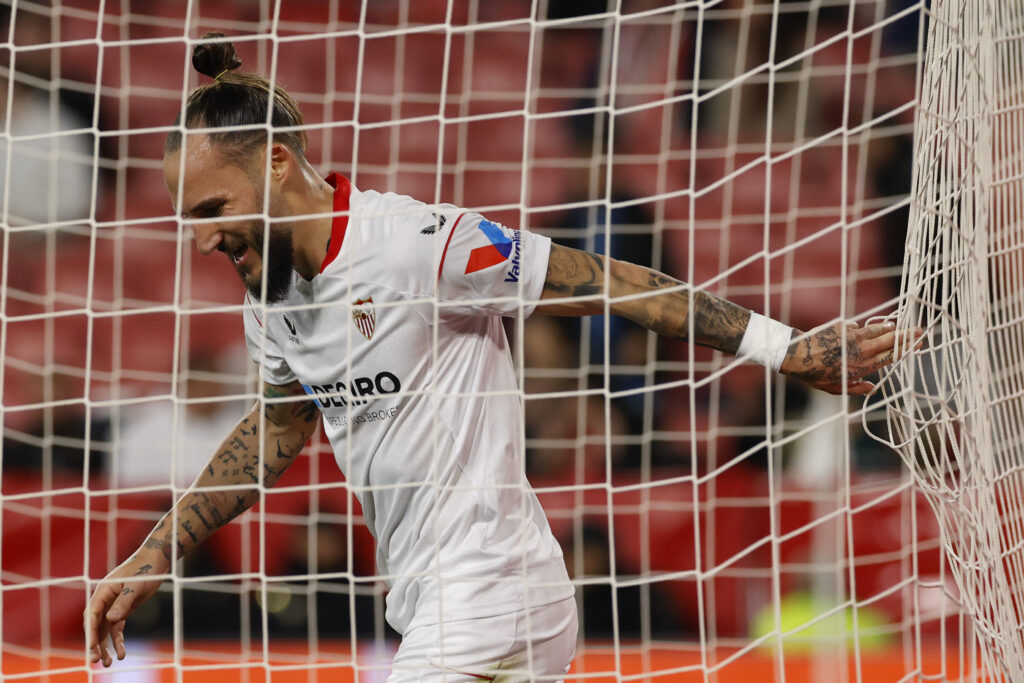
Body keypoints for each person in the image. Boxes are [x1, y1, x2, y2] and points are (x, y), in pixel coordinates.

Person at [85, 33, 902, 681]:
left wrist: (783, 346)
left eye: (211, 207)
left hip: (488, 584)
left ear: (276, 163)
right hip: (445, 596)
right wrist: (156, 551)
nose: (198, 238)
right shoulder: (272, 301)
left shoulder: (413, 245)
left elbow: (604, 283)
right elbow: (274, 432)